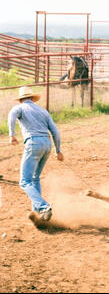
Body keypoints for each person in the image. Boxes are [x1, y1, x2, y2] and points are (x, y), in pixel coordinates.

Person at [8, 86, 64, 221]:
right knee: (34, 178)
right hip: (47, 144)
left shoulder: (19, 108)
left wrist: (12, 135)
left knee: (24, 181)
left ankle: (43, 207)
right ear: (32, 98)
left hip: (33, 143)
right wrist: (58, 150)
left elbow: (11, 115)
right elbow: (55, 131)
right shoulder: (43, 111)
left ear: (20, 100)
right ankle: (37, 211)